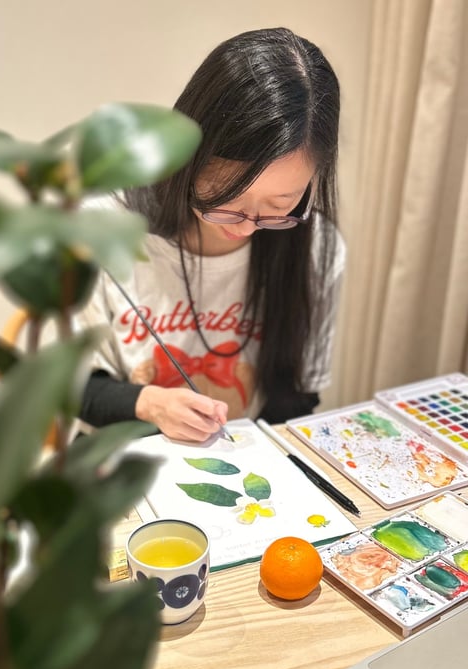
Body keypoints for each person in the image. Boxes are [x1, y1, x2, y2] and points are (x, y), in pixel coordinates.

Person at [77, 27, 344, 443]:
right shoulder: (104, 228)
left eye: (280, 204)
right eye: (225, 196)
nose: (245, 226)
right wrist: (150, 404)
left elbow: (295, 397)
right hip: (118, 459)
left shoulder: (315, 247)